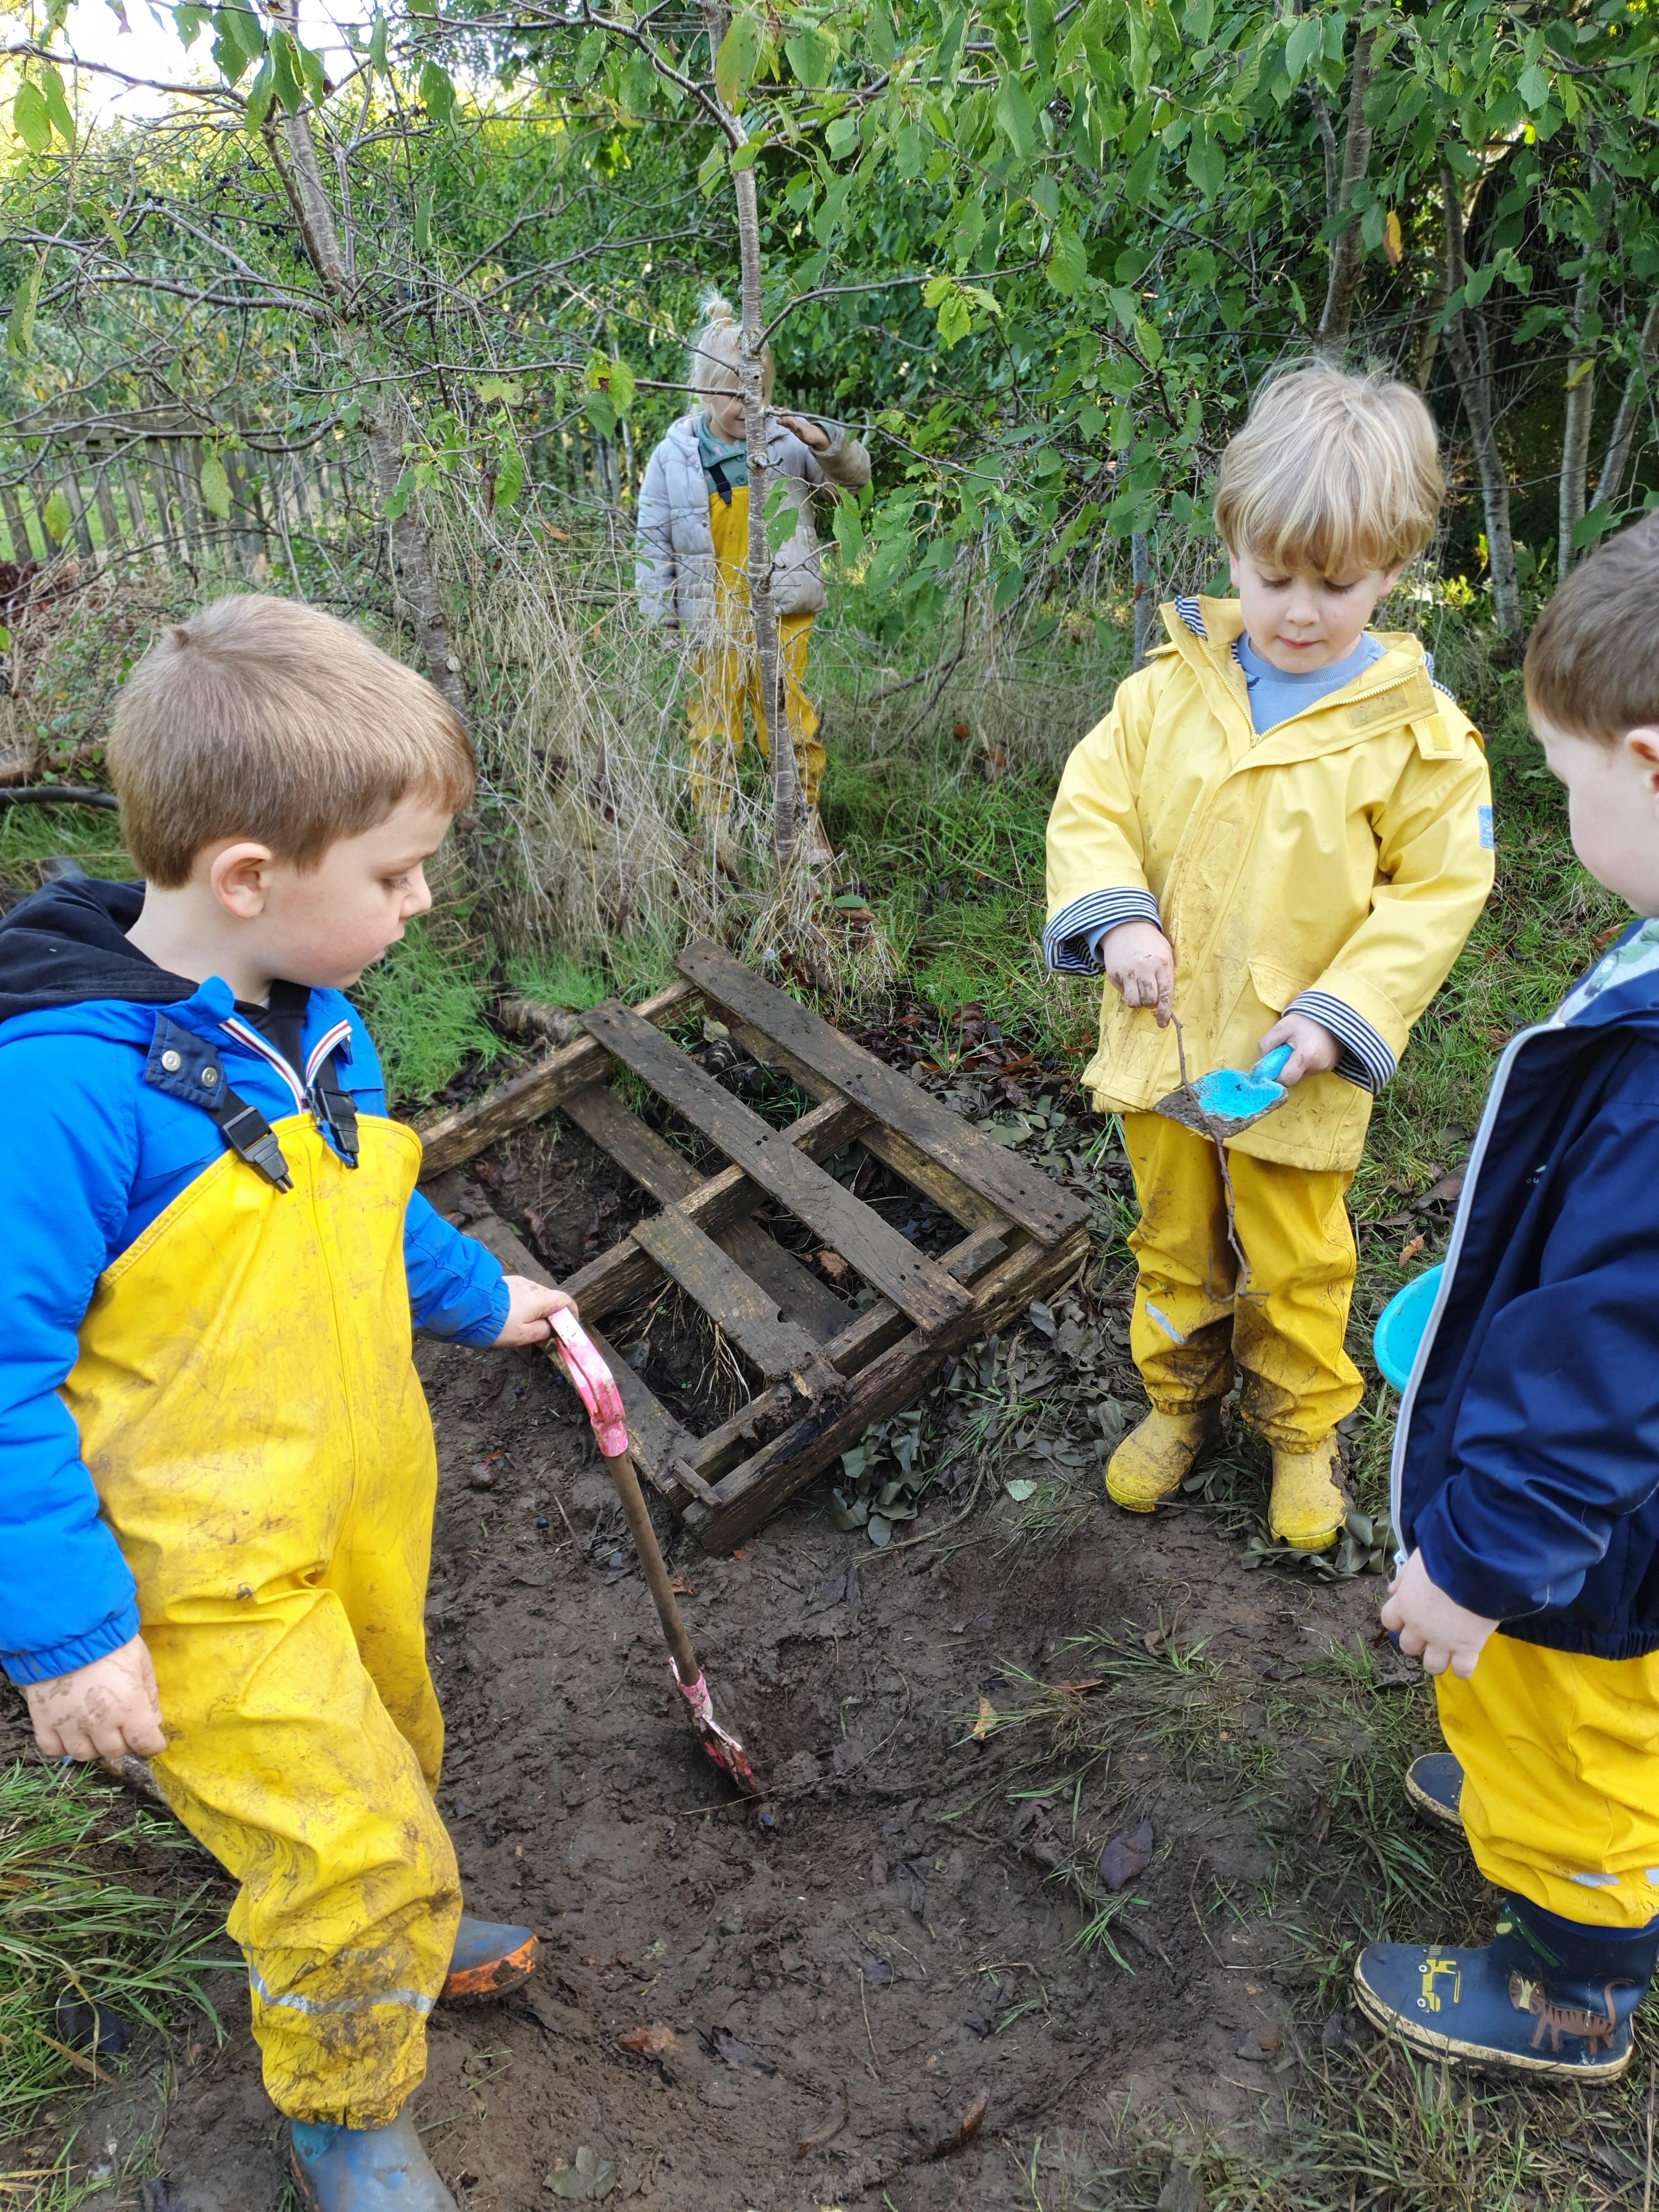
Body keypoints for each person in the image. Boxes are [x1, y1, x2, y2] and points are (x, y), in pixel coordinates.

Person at [0, 595, 575, 2211]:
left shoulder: (319, 1027)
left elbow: (369, 1209)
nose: (422, 901)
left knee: (391, 1741)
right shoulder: (66, 1092)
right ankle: (344, 2105)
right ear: (250, 876)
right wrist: (67, 1636)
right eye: (395, 876)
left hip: (350, 1508)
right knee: (340, 1839)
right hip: (200, 1573)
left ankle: (388, 1915)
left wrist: (482, 1298)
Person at [1045, 363, 1494, 1551]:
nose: (1298, 611)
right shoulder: (1167, 693)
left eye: (1335, 585)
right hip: (1167, 1042)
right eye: (1272, 576)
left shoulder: (1419, 738)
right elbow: (1092, 805)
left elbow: (1437, 891)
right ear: (1232, 546)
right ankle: (1176, 1402)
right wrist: (1118, 918)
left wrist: (1344, 1012)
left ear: (1391, 570)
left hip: (1294, 1062)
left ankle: (1300, 1432)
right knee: (1172, 1235)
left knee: (1295, 1257)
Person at [1355, 515, 1659, 2079]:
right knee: (1583, 1719)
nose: (1559, 807)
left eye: (1563, 777)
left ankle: (1575, 1975)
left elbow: (1611, 1364)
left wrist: (1477, 1566)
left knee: (1569, 1726)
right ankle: (1546, 1801)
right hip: (1614, 1515)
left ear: (1653, 766)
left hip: (1588, 1546)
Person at [634, 289, 871, 875]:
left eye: (756, 388)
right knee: (713, 719)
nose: (745, 402)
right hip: (711, 610)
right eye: (730, 391)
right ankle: (718, 831)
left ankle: (803, 819)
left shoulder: (789, 442)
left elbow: (853, 483)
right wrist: (662, 615)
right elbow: (653, 539)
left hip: (782, 604)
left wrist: (826, 443)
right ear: (703, 389)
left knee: (787, 714)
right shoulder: (674, 454)